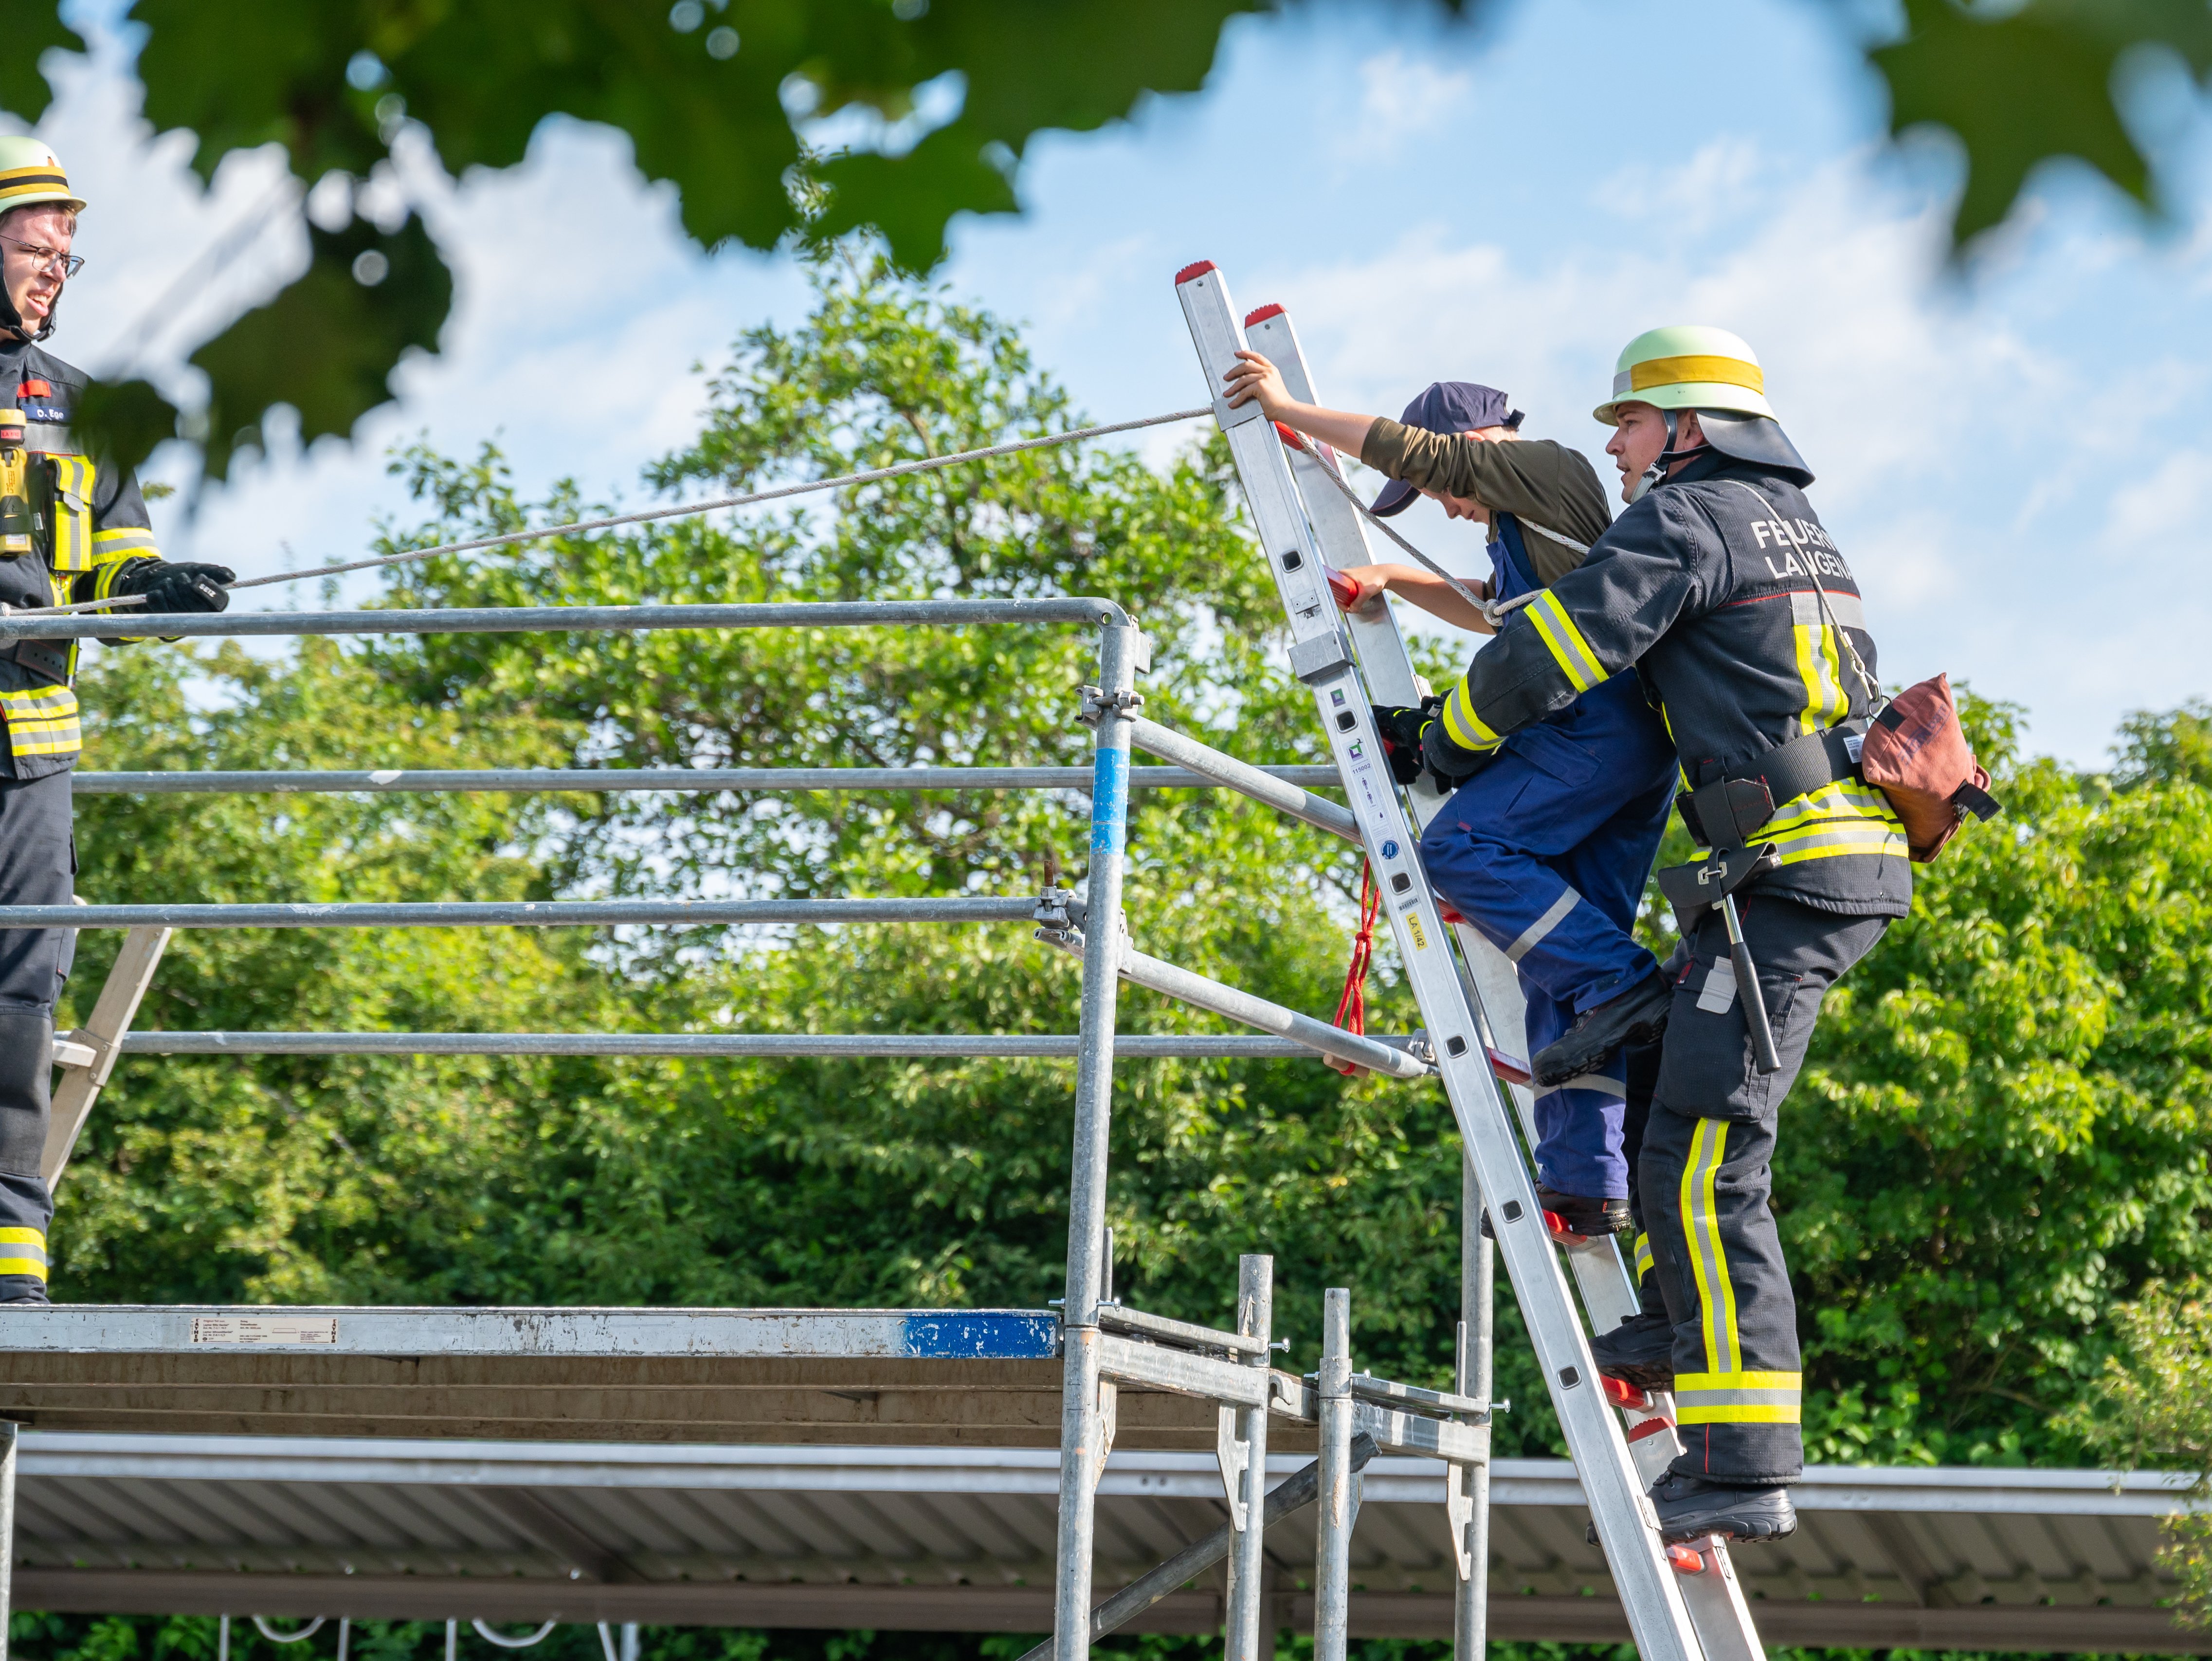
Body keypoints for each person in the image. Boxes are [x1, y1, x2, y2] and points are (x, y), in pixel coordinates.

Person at [1227, 325, 1907, 1545]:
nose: (1617, 446)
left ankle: (1746, 1466)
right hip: (1793, 866)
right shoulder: (1780, 523)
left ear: (1688, 427)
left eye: (1634, 424)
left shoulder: (1684, 516)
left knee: (1707, 1164)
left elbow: (1555, 639)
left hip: (1789, 872)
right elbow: (1524, 605)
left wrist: (1445, 739)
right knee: (1676, 1116)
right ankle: (1671, 1325)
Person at [1319, 379, 1678, 1239]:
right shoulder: (1537, 526)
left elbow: (1427, 455)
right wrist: (1390, 577)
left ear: (1479, 441)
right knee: (1561, 957)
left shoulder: (1541, 467)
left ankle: (1633, 983)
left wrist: (1286, 406)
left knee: (1464, 849)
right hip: (1627, 737)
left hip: (1597, 725)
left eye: (1441, 489)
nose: (1443, 508)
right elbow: (1491, 611)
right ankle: (1588, 1184)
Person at [0, 139, 233, 1303]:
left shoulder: (81, 408)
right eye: (35, 249)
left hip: (26, 760)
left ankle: (10, 1276)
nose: (55, 273)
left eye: (66, 257)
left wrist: (155, 589)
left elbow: (103, 577)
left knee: (19, 1005)